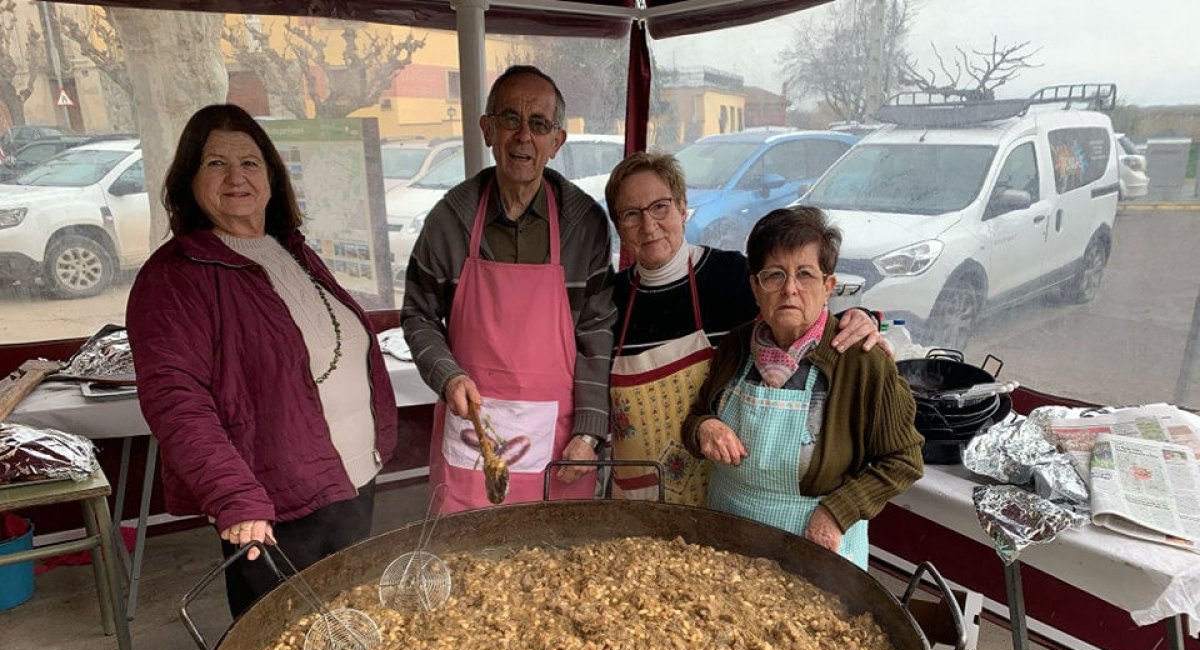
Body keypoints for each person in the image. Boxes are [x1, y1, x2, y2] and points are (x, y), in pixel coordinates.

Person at [126, 104, 397, 618]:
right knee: (281, 637)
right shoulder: (174, 277)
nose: (236, 177)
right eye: (215, 163)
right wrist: (234, 496)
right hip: (272, 501)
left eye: (250, 163)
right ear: (189, 177)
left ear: (272, 176)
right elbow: (175, 399)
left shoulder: (288, 248)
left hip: (352, 479)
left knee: (348, 619)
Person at [604, 152, 883, 505]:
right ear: (618, 226)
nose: (648, 225)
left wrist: (859, 316)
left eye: (660, 207)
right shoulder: (610, 299)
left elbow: (802, 310)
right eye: (632, 214)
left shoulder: (730, 276)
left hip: (716, 497)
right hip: (634, 500)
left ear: (683, 206)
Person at [401, 65, 614, 513]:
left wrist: (590, 431)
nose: (523, 136)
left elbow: (596, 335)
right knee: (468, 562)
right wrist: (447, 373)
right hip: (470, 435)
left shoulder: (583, 224)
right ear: (487, 129)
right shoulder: (451, 219)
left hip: (559, 442)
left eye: (539, 124)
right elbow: (419, 315)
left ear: (557, 142)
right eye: (509, 119)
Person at [681, 206, 923, 569]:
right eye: (774, 275)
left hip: (812, 541)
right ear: (755, 287)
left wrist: (838, 512)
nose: (790, 289)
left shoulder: (861, 359)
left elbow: (905, 459)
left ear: (828, 287)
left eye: (805, 274)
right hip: (728, 535)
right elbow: (696, 417)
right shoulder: (735, 346)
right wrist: (704, 427)